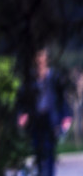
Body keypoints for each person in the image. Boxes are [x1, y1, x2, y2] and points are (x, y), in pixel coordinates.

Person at [17, 48, 73, 176]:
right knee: (38, 153)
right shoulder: (30, 81)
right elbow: (23, 101)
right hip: (36, 120)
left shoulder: (54, 78)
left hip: (50, 120)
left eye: (41, 56)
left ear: (46, 59)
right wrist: (22, 115)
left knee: (49, 155)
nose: (39, 60)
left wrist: (66, 117)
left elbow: (61, 99)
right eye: (37, 57)